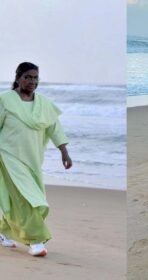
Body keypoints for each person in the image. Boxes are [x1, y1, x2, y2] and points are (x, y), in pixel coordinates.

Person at [0, 62, 72, 256]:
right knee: (26, 199)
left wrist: (64, 151)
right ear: (18, 78)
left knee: (20, 198)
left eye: (35, 78)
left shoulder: (43, 104)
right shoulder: (5, 100)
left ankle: (4, 231)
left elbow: (54, 128)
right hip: (9, 157)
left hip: (33, 160)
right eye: (28, 77)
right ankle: (36, 241)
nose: (32, 81)